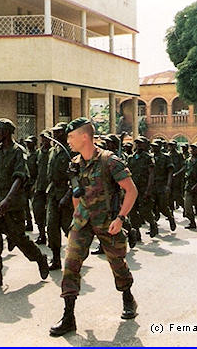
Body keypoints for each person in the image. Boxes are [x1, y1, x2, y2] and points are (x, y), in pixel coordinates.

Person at [50, 118, 138, 337]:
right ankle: (68, 316)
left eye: (71, 137)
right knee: (71, 263)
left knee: (117, 262)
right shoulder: (75, 164)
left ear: (84, 137)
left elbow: (131, 190)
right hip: (83, 222)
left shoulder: (109, 161)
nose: (68, 141)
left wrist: (120, 218)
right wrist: (77, 215)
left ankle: (128, 297)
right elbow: (76, 194)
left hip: (108, 222)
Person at [0, 118, 49, 288]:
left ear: (7, 132)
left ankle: (40, 258)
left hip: (13, 203)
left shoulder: (18, 152)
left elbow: (19, 177)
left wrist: (7, 200)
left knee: (19, 239)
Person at [46, 122, 74, 270]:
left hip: (67, 194)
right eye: (54, 132)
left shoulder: (72, 151)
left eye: (59, 132)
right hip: (53, 193)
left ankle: (75, 256)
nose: (55, 135)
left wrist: (68, 196)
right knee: (51, 227)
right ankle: (56, 258)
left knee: (68, 227)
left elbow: (76, 176)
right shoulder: (54, 151)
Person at [127, 137, 157, 239]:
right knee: (132, 211)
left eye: (141, 143)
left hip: (144, 188)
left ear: (145, 145)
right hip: (133, 189)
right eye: (137, 143)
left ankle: (152, 223)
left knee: (144, 210)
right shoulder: (131, 158)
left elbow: (151, 174)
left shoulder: (148, 158)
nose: (138, 145)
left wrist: (149, 190)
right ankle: (136, 232)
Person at [149, 141, 176, 232]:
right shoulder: (149, 157)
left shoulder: (166, 157)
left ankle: (170, 218)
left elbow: (170, 172)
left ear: (160, 147)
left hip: (162, 185)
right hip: (152, 186)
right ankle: (153, 226)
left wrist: (168, 185)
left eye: (156, 146)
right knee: (150, 206)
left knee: (163, 206)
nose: (153, 148)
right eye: (152, 146)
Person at [32, 130, 52, 245]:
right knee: (37, 210)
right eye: (42, 138)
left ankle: (51, 236)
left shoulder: (52, 152)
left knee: (50, 214)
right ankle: (41, 234)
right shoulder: (38, 153)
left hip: (50, 187)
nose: (44, 141)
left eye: (46, 138)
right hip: (39, 187)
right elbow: (35, 170)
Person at [23, 135, 38, 232]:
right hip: (26, 183)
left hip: (34, 183)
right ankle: (29, 223)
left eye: (30, 142)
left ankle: (41, 226)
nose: (28, 144)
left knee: (36, 207)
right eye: (27, 143)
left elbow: (40, 171)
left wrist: (35, 184)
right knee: (25, 206)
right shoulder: (26, 155)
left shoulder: (37, 154)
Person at [168, 140, 186, 212]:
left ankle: (185, 208)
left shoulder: (179, 155)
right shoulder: (167, 155)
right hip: (169, 179)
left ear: (175, 146)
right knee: (170, 196)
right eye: (170, 145)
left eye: (172, 145)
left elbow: (184, 166)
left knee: (177, 195)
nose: (171, 147)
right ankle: (171, 211)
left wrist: (177, 173)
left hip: (177, 179)